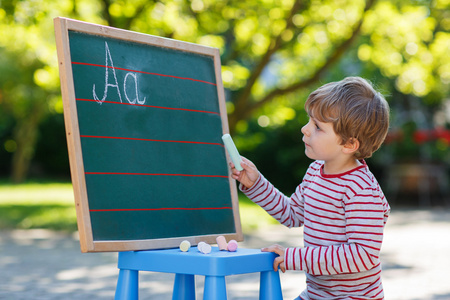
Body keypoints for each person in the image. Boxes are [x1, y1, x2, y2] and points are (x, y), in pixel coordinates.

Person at [230, 77, 391, 299]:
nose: (305, 129)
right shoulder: (315, 171)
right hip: (317, 294)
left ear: (349, 144)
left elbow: (363, 255)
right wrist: (256, 184)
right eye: (309, 121)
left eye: (317, 127)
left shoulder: (361, 189)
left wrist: (295, 257)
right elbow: (291, 213)